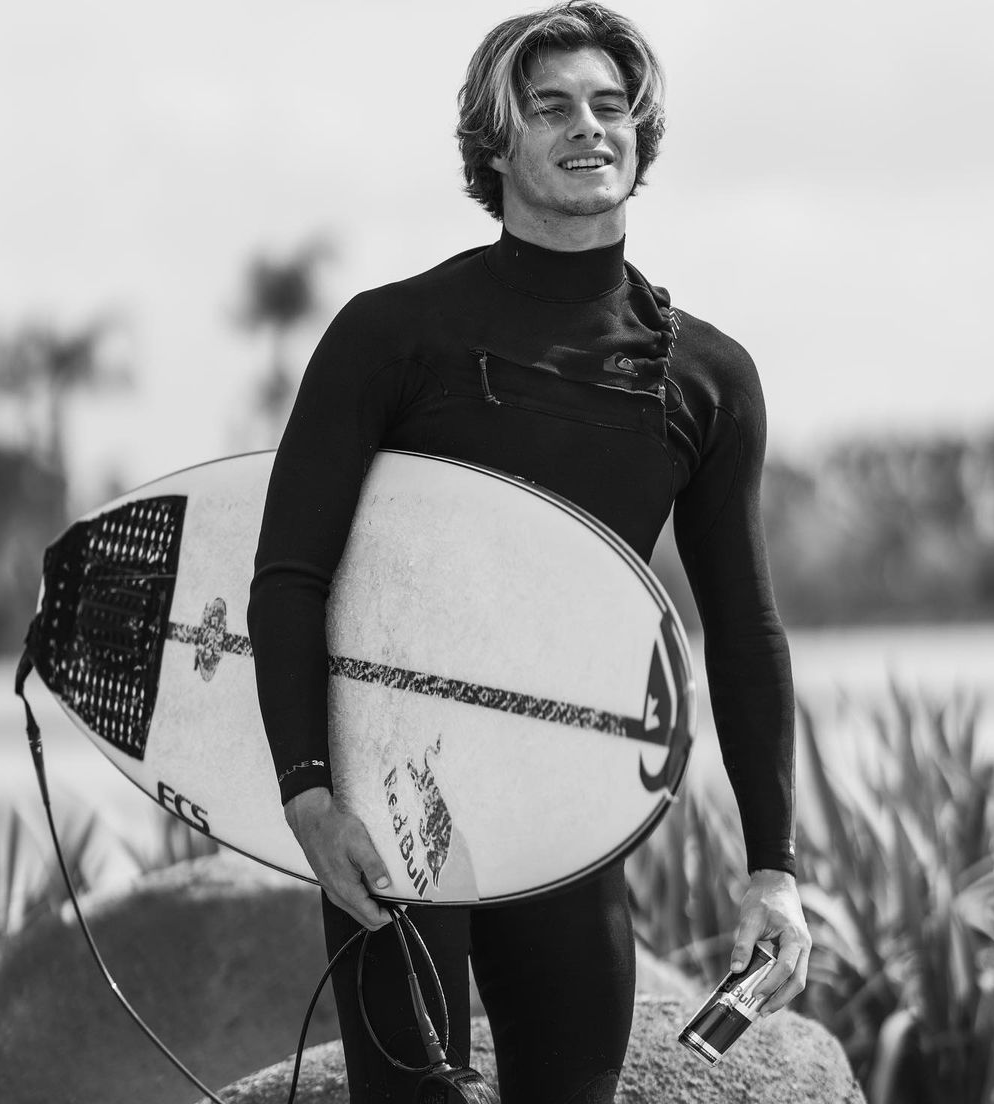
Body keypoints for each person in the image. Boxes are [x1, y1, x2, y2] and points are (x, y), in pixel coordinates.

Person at [248, 3, 812, 1101]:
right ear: (496, 145)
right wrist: (309, 795)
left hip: (570, 815)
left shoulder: (706, 378)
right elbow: (289, 577)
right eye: (550, 107)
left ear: (640, 134)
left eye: (611, 105)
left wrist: (773, 871)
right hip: (396, 801)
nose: (588, 126)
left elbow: (744, 632)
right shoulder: (393, 336)